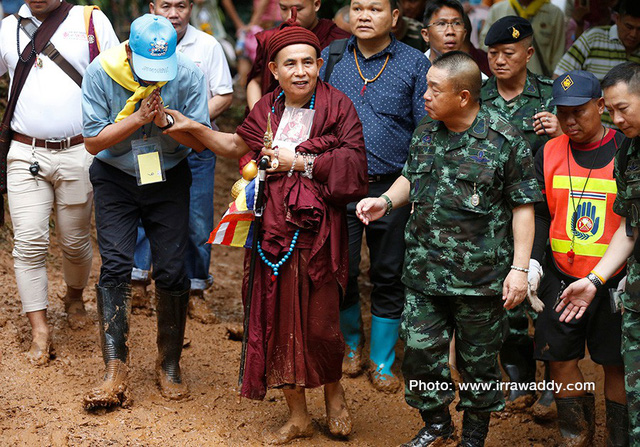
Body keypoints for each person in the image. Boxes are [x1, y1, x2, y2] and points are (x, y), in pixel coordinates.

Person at [161, 19, 368, 444]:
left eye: (308, 62)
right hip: (273, 232)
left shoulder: (339, 106)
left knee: (320, 321)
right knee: (274, 316)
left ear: (319, 64)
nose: (300, 71)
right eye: (289, 64)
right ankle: (298, 414)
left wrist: (302, 163)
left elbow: (354, 168)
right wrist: (192, 126)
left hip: (320, 234)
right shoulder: (267, 109)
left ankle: (334, 398)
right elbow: (236, 146)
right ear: (272, 70)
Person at [356, 51, 541, 447]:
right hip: (425, 272)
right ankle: (437, 426)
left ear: (463, 96)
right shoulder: (426, 130)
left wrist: (520, 269)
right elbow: (411, 177)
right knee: (421, 355)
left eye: (434, 90)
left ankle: (473, 436)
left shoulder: (505, 139)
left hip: (482, 280)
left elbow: (524, 207)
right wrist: (385, 201)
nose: (424, 96)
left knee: (478, 365)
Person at [81, 14, 210, 409]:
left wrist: (167, 122)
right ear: (129, 50)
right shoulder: (101, 73)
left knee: (172, 268)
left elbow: (202, 143)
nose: (157, 76)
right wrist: (137, 119)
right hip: (115, 176)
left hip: (168, 177)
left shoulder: (188, 74)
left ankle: (169, 363)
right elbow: (91, 142)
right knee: (116, 264)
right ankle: (114, 366)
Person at [320, 0, 430, 393]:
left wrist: (413, 187)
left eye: (375, 9)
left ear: (395, 18)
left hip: (391, 187)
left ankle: (383, 361)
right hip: (339, 185)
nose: (363, 16)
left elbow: (426, 132)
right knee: (341, 269)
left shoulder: (415, 63)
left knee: (388, 272)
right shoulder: (330, 57)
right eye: (357, 8)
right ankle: (352, 346)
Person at [0, 0, 118, 365]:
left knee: (75, 240)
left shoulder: (91, 20)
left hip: (79, 151)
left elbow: (119, 79)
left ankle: (74, 295)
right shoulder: (7, 28)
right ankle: (40, 328)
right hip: (24, 152)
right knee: (30, 242)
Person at [531, 69, 628, 446]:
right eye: (563, 112)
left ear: (601, 106)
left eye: (580, 111)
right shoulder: (549, 151)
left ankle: (618, 439)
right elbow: (539, 212)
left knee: (614, 362)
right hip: (561, 274)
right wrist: (535, 263)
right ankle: (576, 437)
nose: (570, 121)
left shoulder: (626, 150)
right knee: (559, 357)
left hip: (613, 279)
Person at [128, 0, 234, 323]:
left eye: (181, 6)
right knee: (146, 208)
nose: (173, 13)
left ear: (191, 8)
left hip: (197, 145)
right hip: (151, 144)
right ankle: (138, 283)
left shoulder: (207, 45)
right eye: (165, 6)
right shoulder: (139, 41)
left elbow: (225, 94)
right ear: (152, 8)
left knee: (198, 216)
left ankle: (197, 288)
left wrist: (190, 121)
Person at [556, 61, 640, 446]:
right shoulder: (629, 153)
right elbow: (629, 226)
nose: (618, 118)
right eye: (613, 109)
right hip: (623, 285)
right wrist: (594, 280)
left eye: (624, 108)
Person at [480, 15, 560, 415]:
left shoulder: (551, 96)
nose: (498, 60)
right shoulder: (476, 97)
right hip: (492, 216)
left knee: (542, 295)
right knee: (504, 298)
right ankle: (521, 378)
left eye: (507, 53)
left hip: (544, 213)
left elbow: (593, 137)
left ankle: (552, 384)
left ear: (528, 53)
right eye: (492, 53)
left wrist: (563, 130)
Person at [245, 0, 350, 109]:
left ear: (316, 4)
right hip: (275, 117)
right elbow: (256, 82)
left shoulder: (340, 40)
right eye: (284, 9)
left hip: (326, 116)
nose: (290, 16)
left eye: (298, 9)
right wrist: (260, 117)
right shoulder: (271, 39)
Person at [554, 0, 640, 128]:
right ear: (617, 19)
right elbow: (560, 76)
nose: (634, 34)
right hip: (593, 133)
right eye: (629, 27)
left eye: (639, 29)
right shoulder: (593, 38)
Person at [479, 0, 566, 78]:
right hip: (500, 82)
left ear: (529, 53)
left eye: (508, 53)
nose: (500, 60)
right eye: (494, 53)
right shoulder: (498, 10)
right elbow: (484, 46)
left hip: (539, 85)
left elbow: (558, 55)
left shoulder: (554, 13)